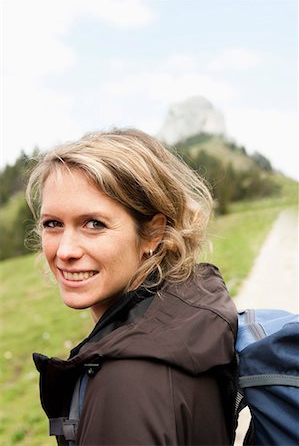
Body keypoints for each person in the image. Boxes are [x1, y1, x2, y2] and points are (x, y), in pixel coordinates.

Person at [26, 128, 238, 446]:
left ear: (153, 233)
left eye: (94, 224)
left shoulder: (127, 381)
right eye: (53, 224)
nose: (65, 250)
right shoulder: (185, 319)